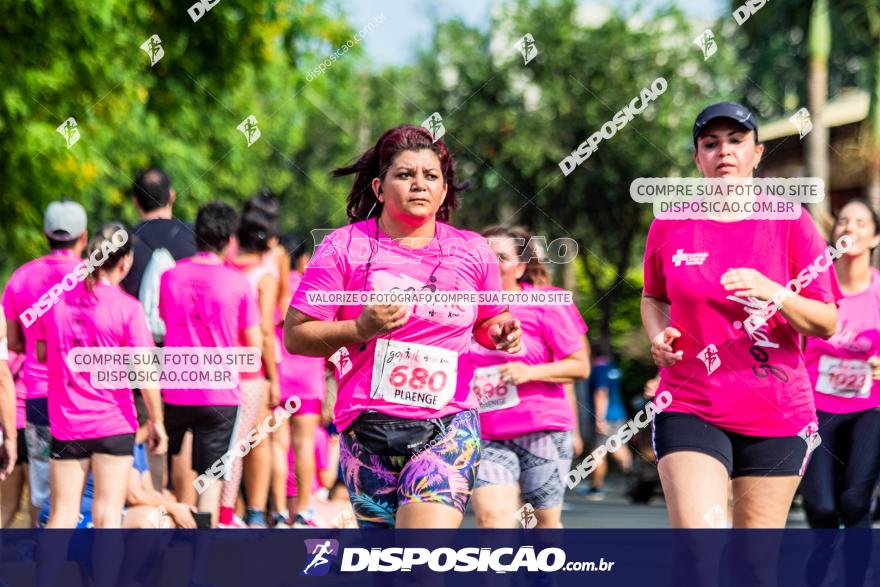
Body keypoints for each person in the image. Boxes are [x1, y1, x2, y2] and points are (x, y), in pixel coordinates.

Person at [284, 124, 522, 529]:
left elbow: (489, 318)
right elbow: (296, 335)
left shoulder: (472, 250)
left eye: (431, 176)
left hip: (448, 422)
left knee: (422, 560)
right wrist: (359, 328)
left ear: (444, 191)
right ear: (379, 187)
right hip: (367, 427)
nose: (419, 184)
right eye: (405, 174)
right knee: (387, 565)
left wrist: (500, 331)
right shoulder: (343, 246)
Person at [641, 102, 840, 529]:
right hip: (691, 403)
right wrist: (657, 335)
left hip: (776, 410)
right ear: (698, 158)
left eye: (736, 141)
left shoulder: (790, 222)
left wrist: (773, 291)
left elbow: (827, 320)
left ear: (757, 152)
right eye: (711, 144)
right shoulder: (670, 224)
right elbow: (653, 297)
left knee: (754, 564)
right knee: (700, 542)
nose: (724, 151)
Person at [34, 224, 167, 528]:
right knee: (108, 517)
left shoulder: (57, 303)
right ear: (125, 262)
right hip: (113, 422)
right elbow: (145, 372)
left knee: (62, 514)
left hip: (67, 421)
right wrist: (157, 421)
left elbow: (42, 353)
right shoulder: (128, 309)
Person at [468, 225, 589, 529]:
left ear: (521, 266)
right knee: (493, 520)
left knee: (541, 526)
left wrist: (529, 372)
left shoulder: (547, 302)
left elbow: (579, 366)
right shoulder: (462, 308)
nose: (491, 262)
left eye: (501, 256)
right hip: (486, 434)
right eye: (484, 255)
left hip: (542, 429)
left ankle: (539, 576)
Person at [159, 202, 261, 526]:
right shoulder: (239, 283)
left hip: (174, 390)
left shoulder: (170, 277)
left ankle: (154, 534)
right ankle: (199, 567)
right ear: (231, 239)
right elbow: (254, 346)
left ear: (196, 235)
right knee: (211, 480)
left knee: (159, 463)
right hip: (219, 395)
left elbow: (165, 321)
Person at [799, 199, 880, 586]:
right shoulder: (814, 287)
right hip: (817, 410)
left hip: (871, 410)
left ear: (875, 237)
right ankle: (819, 570)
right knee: (821, 508)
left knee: (854, 502)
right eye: (843, 221)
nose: (850, 228)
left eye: (861, 222)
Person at [3, 200, 88, 517]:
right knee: (79, 488)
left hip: (37, 397)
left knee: (42, 488)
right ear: (83, 236)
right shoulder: (89, 277)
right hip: (83, 398)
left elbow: (12, 343)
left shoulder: (21, 278)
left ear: (45, 234)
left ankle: (41, 553)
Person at [122, 168, 197, 495]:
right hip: (187, 352)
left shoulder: (123, 241)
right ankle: (187, 519)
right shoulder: (194, 238)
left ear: (136, 202)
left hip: (137, 355)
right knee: (184, 436)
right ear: (172, 196)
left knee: (146, 426)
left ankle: (151, 512)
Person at [219, 209, 280, 528]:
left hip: (219, 368)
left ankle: (230, 509)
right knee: (257, 439)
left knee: (223, 442)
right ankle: (254, 511)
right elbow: (267, 331)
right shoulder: (264, 277)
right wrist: (273, 375)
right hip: (251, 370)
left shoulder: (224, 268)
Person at [270, 234, 328, 528]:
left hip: (279, 377)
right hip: (307, 378)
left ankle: (279, 511)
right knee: (304, 445)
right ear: (304, 258)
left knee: (279, 447)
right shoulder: (313, 288)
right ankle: (303, 510)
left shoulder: (275, 286)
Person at [582, 354, 632, 501]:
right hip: (618, 414)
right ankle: (634, 478)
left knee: (598, 452)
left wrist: (599, 419)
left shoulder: (599, 369)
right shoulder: (613, 367)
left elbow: (601, 393)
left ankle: (596, 488)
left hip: (606, 416)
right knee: (618, 447)